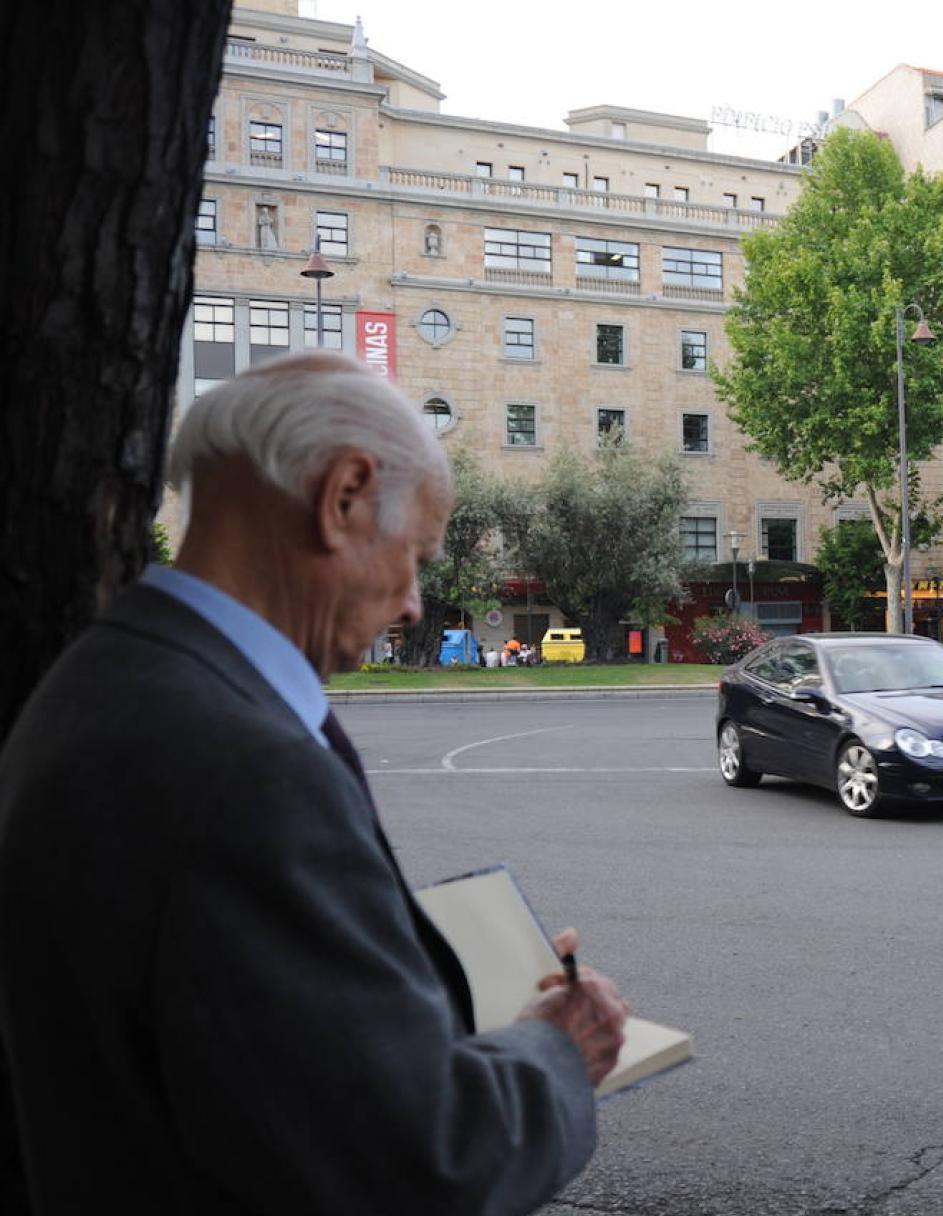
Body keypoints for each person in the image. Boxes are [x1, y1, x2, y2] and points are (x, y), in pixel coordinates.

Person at [0, 352, 628, 1213]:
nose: (413, 604)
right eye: (416, 553)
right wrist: (559, 1050)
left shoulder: (102, 680)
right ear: (345, 498)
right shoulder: (244, 769)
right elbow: (414, 1164)